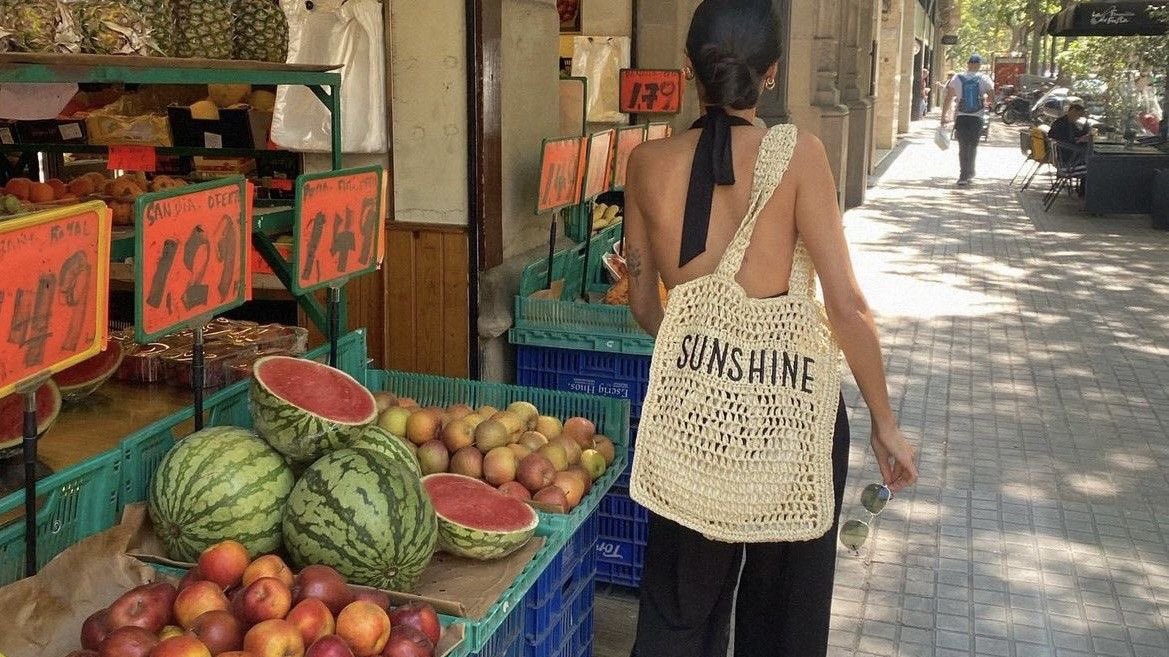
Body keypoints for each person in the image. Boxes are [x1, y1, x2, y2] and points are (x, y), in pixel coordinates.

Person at [621, 2, 918, 656]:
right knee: (783, 614)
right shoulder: (799, 155)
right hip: (793, 417)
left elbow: (646, 309)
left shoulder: (644, 164)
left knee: (678, 607)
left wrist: (705, 346)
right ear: (772, 73)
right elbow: (845, 304)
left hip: (695, 416)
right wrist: (884, 421)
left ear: (687, 69)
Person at [942, 54, 994, 186]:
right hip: (977, 117)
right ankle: (970, 171)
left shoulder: (957, 78)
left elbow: (948, 97)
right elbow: (992, 96)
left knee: (963, 146)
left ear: (968, 64)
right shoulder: (984, 78)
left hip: (961, 116)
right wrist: (986, 102)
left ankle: (963, 175)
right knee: (973, 145)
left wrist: (944, 116)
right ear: (979, 65)